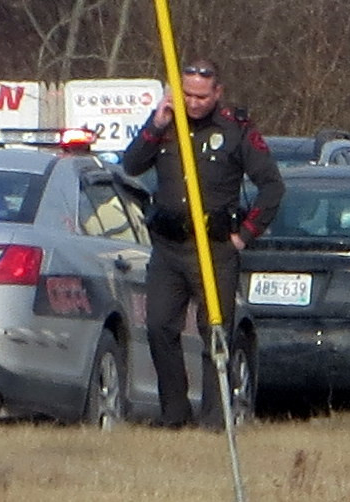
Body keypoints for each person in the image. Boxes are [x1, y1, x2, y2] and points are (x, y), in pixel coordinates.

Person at [123, 58, 284, 430]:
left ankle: (215, 420)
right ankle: (174, 415)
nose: (193, 103)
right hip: (169, 245)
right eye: (187, 94)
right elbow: (131, 165)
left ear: (217, 93)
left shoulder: (235, 129)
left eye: (201, 96)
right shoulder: (165, 126)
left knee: (215, 332)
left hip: (215, 248)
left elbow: (273, 186)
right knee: (160, 326)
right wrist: (157, 122)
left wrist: (245, 234)